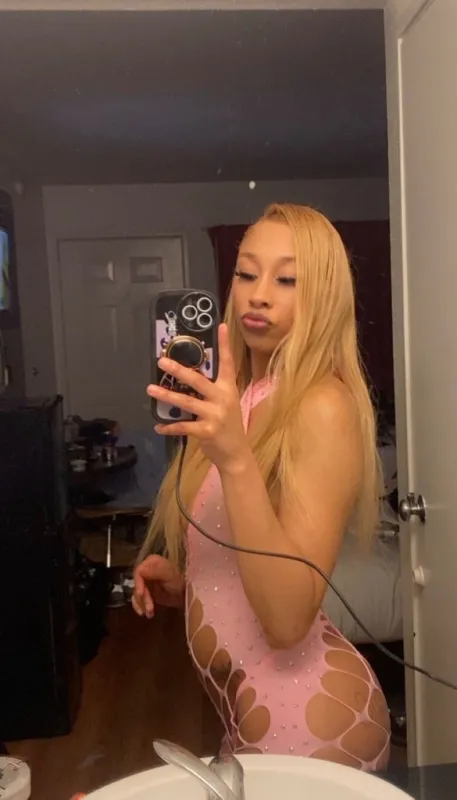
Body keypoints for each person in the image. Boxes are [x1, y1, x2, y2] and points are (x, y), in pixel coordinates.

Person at [133, 203, 391, 771]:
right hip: (248, 717)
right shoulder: (243, 397)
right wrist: (191, 583)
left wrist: (234, 458)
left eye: (287, 280)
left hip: (312, 722)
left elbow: (288, 620)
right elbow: (251, 549)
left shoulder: (322, 405)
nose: (259, 295)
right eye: (247, 273)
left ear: (324, 297)